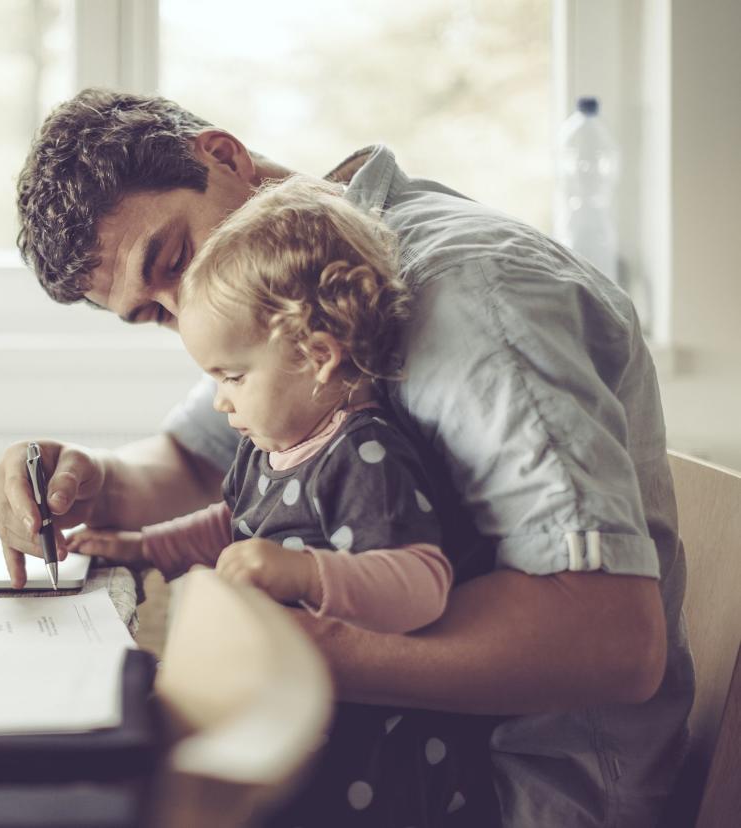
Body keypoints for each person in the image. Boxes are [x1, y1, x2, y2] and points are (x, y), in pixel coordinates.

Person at [0, 88, 689, 827]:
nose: (187, 307)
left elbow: (614, 638)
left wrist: (289, 649)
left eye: (174, 259)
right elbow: (195, 462)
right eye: (156, 314)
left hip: (525, 792)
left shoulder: (470, 296)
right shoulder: (284, 278)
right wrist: (87, 482)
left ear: (224, 157)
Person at [69, 173, 501, 824]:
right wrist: (141, 550)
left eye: (233, 376)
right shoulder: (265, 446)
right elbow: (233, 526)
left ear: (318, 355)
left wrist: (301, 570)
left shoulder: (366, 454)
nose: (220, 400)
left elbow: (421, 583)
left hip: (383, 762)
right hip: (311, 717)